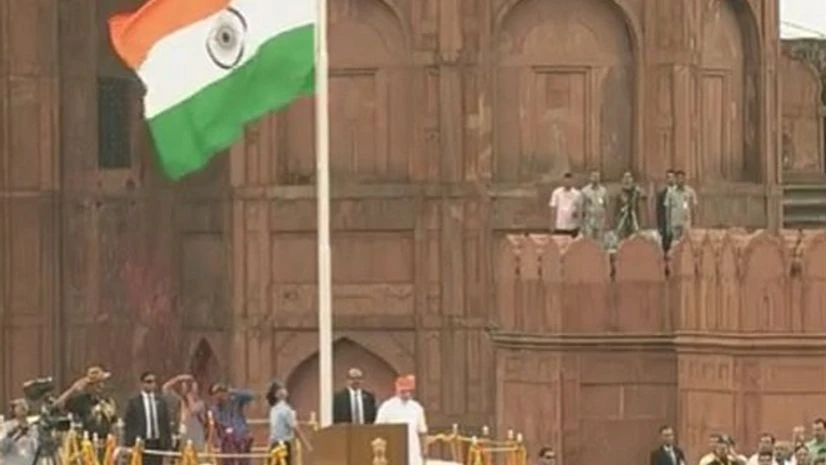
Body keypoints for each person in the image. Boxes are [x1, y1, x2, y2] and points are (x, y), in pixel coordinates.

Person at [375, 375, 428, 465]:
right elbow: (378, 429)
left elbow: (422, 432)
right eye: (403, 391)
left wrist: (424, 451)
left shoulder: (417, 407)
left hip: (413, 449)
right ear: (397, 391)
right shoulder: (387, 407)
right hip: (393, 448)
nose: (406, 394)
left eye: (409, 391)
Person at [55, 366, 118, 440]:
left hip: (107, 443)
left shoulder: (109, 402)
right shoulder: (82, 401)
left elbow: (114, 424)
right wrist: (73, 390)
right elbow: (58, 405)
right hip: (86, 443)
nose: (101, 386)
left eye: (102, 382)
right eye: (97, 384)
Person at [123, 371, 173, 465]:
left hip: (158, 443)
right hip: (141, 443)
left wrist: (168, 445)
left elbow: (166, 424)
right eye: (148, 381)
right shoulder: (134, 402)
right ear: (142, 384)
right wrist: (129, 444)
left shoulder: (161, 402)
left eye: (154, 382)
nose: (152, 384)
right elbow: (128, 425)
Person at [266, 381, 311, 465]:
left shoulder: (273, 409)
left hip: (274, 445)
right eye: (281, 389)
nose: (284, 390)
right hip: (283, 447)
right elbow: (295, 428)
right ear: (277, 394)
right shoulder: (285, 409)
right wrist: (306, 444)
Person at [209, 383, 254, 465]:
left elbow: (251, 396)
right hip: (227, 442)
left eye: (221, 392)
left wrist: (233, 392)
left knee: (243, 461)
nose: (219, 396)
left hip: (241, 437)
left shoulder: (235, 401)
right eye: (215, 394)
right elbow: (215, 427)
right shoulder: (214, 410)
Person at [162, 374, 207, 452]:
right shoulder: (179, 401)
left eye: (193, 388)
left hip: (196, 437)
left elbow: (193, 410)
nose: (192, 390)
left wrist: (188, 396)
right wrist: (178, 379)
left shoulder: (201, 404)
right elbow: (165, 388)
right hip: (183, 437)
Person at [0, 399, 38, 465]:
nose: (22, 406)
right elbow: (2, 447)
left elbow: (37, 448)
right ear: (13, 410)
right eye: (19, 405)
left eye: (24, 404)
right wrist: (13, 432)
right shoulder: (7, 426)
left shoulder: (34, 427)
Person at [664, 170, 697, 243]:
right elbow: (667, 209)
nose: (680, 180)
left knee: (686, 244)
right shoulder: (671, 192)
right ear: (676, 179)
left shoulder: (690, 191)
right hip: (674, 223)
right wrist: (668, 225)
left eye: (682, 178)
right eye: (678, 178)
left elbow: (694, 207)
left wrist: (694, 222)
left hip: (686, 223)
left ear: (685, 179)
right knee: (675, 244)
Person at [579, 170, 608, 245]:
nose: (595, 178)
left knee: (600, 243)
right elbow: (581, 207)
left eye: (597, 177)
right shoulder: (585, 191)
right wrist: (581, 224)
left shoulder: (603, 191)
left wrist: (607, 221)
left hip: (600, 221)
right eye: (594, 176)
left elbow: (606, 206)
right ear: (590, 178)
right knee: (589, 242)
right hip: (589, 221)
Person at [613, 171, 643, 241]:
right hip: (623, 222)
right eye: (625, 177)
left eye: (629, 177)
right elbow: (616, 211)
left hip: (634, 222)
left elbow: (640, 209)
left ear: (632, 179)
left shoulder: (636, 193)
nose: (627, 179)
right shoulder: (619, 194)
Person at [548, 172, 581, 237]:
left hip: (573, 226)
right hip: (560, 225)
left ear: (572, 181)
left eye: (569, 181)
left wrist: (576, 213)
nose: (567, 183)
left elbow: (580, 210)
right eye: (566, 181)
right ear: (563, 181)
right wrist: (552, 224)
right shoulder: (557, 192)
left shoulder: (577, 194)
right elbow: (553, 209)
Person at [656, 170, 676, 252]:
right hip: (666, 226)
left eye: (672, 177)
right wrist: (660, 226)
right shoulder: (662, 194)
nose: (670, 179)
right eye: (668, 177)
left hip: (677, 225)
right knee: (666, 249)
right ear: (666, 179)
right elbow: (659, 211)